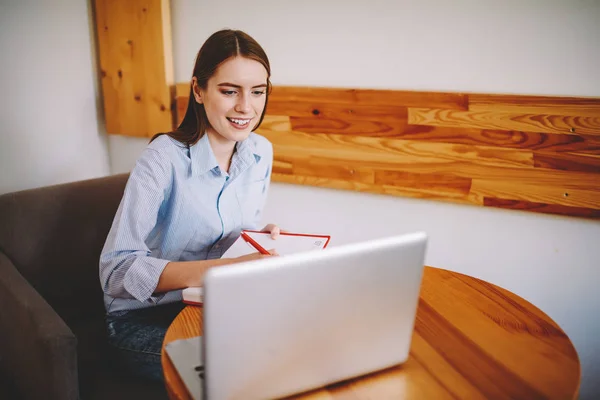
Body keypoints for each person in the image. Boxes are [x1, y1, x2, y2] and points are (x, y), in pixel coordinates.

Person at [99, 29, 280, 382]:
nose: (246, 107)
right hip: (142, 321)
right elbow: (117, 272)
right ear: (198, 90)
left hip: (214, 305)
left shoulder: (260, 152)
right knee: (247, 371)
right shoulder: (162, 159)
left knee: (292, 344)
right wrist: (220, 270)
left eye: (258, 92)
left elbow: (227, 239)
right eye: (230, 91)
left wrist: (261, 240)